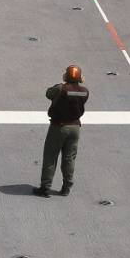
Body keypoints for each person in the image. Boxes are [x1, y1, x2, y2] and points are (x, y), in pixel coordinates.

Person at [33, 65, 89, 198]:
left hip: (59, 127)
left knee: (51, 157)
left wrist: (62, 83)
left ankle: (45, 188)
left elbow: (48, 93)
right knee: (69, 158)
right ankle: (66, 187)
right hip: (75, 127)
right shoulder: (84, 91)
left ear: (66, 76)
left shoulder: (60, 88)